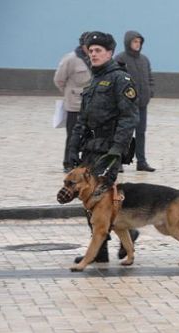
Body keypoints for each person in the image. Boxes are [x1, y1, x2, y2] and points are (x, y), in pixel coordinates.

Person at [68, 31, 139, 264]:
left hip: (109, 149)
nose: (94, 54)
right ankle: (101, 250)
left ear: (109, 52)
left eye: (99, 50)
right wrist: (72, 148)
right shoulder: (94, 81)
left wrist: (118, 148)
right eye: (91, 51)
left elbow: (129, 118)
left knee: (103, 199)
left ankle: (124, 234)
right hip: (90, 149)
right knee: (88, 199)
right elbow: (82, 120)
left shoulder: (120, 79)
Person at [115, 30, 155, 172]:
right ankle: (119, 162)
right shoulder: (120, 59)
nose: (137, 44)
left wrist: (150, 92)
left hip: (142, 105)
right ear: (128, 42)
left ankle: (141, 162)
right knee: (125, 134)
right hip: (127, 106)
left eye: (139, 42)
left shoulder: (144, 60)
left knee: (140, 133)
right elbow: (117, 81)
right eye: (134, 41)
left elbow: (150, 78)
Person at [54, 31, 92, 173]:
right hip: (74, 105)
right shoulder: (70, 59)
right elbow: (59, 80)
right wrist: (68, 94)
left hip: (91, 105)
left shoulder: (96, 58)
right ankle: (68, 163)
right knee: (72, 136)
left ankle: (85, 163)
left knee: (89, 135)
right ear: (82, 45)